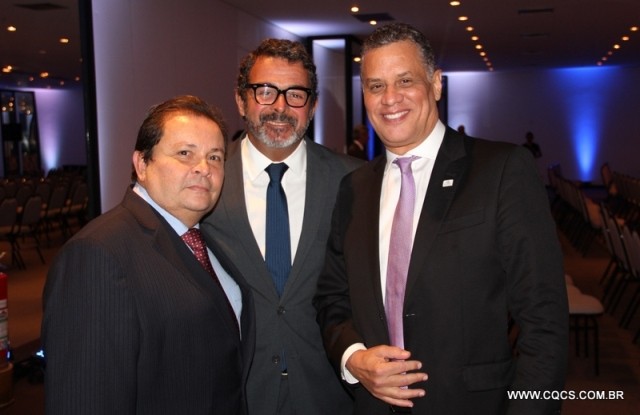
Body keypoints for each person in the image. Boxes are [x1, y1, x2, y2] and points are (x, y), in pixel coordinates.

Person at [314, 23, 568, 414]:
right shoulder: (354, 188)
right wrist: (354, 358)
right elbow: (332, 298)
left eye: (405, 80)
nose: (390, 98)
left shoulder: (501, 171)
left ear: (435, 84)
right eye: (376, 86)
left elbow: (544, 319)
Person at [42, 95, 255, 415]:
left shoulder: (205, 239)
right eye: (185, 153)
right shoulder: (97, 255)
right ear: (142, 164)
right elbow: (86, 398)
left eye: (215, 157)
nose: (204, 168)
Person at [201, 39, 361, 415]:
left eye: (295, 94)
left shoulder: (353, 182)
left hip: (329, 392)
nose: (280, 107)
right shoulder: (205, 179)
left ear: (312, 106)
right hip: (236, 392)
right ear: (241, 100)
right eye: (265, 91)